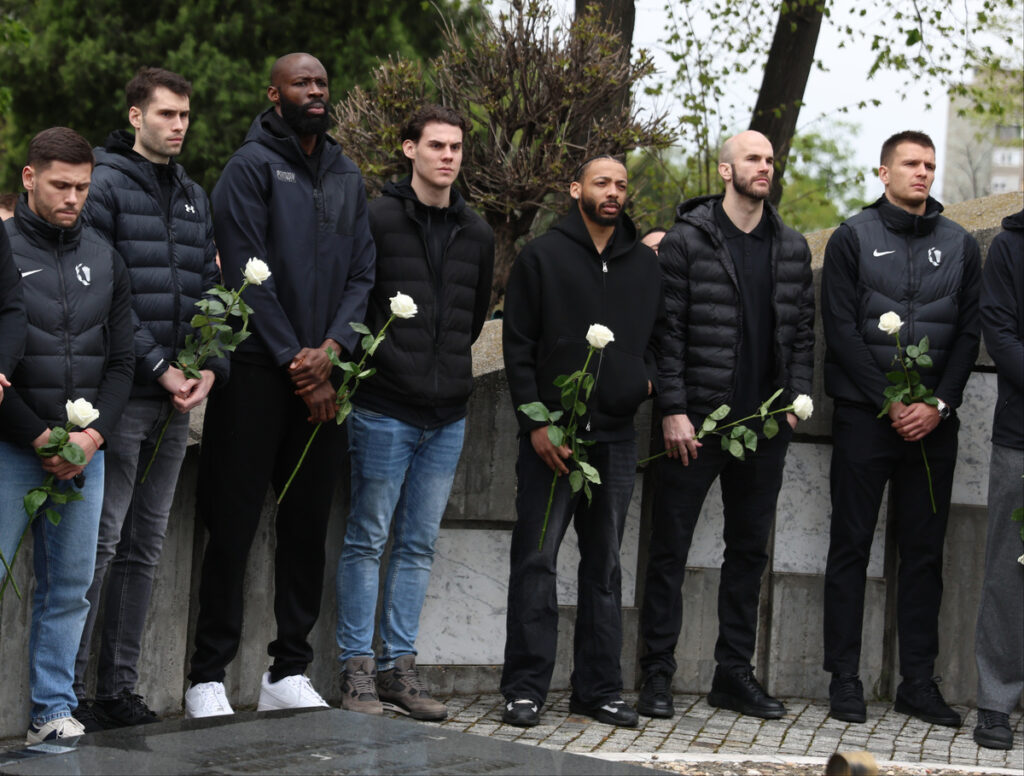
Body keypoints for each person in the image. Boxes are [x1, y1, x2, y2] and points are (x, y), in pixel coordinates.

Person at [182, 52, 375, 719]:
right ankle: (207, 675)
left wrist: (332, 350)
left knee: (306, 529)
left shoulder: (348, 173)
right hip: (261, 378)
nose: (317, 90)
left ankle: (286, 670)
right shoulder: (249, 168)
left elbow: (362, 276)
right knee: (232, 528)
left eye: (323, 81)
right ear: (275, 93)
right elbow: (242, 270)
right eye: (303, 82)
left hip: (325, 376)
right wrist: (296, 356)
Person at [637, 130, 815, 721]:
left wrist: (797, 400)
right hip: (697, 426)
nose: (764, 167)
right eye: (752, 159)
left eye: (769, 159)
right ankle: (656, 675)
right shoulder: (687, 241)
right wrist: (673, 409)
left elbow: (804, 332)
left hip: (765, 427)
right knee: (669, 551)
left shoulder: (790, 247)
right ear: (724, 170)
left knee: (748, 553)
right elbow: (666, 335)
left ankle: (733, 674)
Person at [71, 66, 226, 731]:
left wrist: (209, 366)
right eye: (166, 114)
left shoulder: (195, 195)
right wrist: (161, 366)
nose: (179, 125)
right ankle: (68, 694)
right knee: (100, 545)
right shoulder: (103, 185)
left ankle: (119, 690)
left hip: (176, 402)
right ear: (137, 116)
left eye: (185, 116)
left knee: (146, 546)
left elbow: (212, 290)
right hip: (123, 396)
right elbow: (104, 292)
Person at [336, 105, 494, 720]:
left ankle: (400, 669)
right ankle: (357, 674)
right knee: (367, 539)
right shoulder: (376, 218)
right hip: (384, 409)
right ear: (409, 150)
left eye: (456, 146)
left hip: (447, 414)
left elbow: (473, 318)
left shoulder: (477, 232)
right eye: (436, 145)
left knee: (418, 545)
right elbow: (358, 301)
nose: (448, 156)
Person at [821, 130, 980, 727]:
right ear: (883, 173)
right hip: (867, 420)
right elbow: (840, 328)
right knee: (850, 549)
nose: (923, 173)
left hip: (933, 426)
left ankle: (918, 682)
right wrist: (889, 401)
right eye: (911, 164)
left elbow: (968, 335)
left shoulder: (961, 244)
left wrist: (938, 403)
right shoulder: (851, 238)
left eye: (930, 165)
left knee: (923, 556)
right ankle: (844, 678)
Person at [500, 155, 662, 728]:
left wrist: (646, 382)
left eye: (620, 184)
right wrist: (536, 424)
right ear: (576, 189)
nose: (613, 192)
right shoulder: (541, 257)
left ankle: (599, 689)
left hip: (615, 441)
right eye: (601, 183)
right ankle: (524, 690)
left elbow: (665, 340)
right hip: (551, 440)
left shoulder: (645, 265)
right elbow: (516, 346)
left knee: (605, 566)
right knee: (537, 561)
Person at [0, 127, 134, 744]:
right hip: (11, 446)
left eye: (82, 187)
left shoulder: (106, 256)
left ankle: (52, 711)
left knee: (71, 590)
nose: (72, 198)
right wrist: (38, 438)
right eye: (60, 185)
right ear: (29, 177)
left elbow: (123, 361)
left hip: (85, 454)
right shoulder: (2, 246)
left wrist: (92, 437)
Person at [972, 206, 1023, 750]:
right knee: (1009, 573)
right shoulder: (1010, 247)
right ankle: (995, 703)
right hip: (1021, 438)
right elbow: (1001, 335)